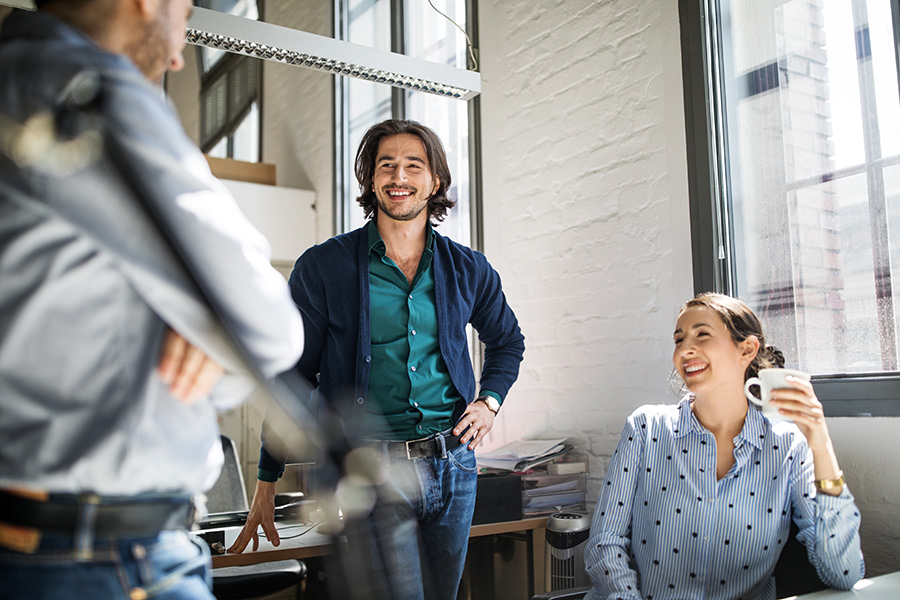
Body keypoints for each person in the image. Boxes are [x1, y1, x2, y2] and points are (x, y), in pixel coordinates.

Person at [0, 1, 305, 599]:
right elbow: (267, 326)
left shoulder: (16, 74)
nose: (177, 54)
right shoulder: (83, 85)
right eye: (184, 16)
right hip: (106, 556)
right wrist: (214, 343)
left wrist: (197, 326)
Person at [228, 119, 526, 599]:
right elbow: (290, 376)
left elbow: (508, 340)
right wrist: (266, 478)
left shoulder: (468, 268)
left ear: (436, 182)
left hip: (454, 466)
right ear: (370, 179)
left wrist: (489, 401)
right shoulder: (325, 266)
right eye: (386, 165)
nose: (398, 177)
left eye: (414, 165)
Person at [584, 293, 864, 600]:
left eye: (702, 334)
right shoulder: (646, 428)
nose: (685, 349)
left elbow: (843, 572)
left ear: (747, 349)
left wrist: (820, 442)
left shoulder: (787, 446)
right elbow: (605, 542)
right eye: (679, 340)